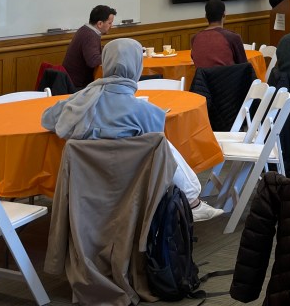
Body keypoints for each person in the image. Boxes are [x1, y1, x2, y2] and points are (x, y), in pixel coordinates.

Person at [42, 38, 223, 222]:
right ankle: (192, 201)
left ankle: (193, 202)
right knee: (164, 145)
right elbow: (159, 155)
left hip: (84, 186)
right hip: (131, 185)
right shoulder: (146, 112)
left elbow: (47, 119)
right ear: (137, 65)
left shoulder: (81, 102)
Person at [62, 4, 116, 89]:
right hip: (78, 86)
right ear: (100, 24)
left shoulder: (85, 30)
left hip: (73, 81)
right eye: (110, 23)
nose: (111, 26)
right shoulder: (90, 35)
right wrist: (112, 55)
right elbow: (93, 61)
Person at [190, 0, 249, 68]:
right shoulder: (233, 37)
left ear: (206, 16)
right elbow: (244, 66)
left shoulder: (195, 38)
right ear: (224, 15)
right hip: (228, 78)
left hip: (203, 79)